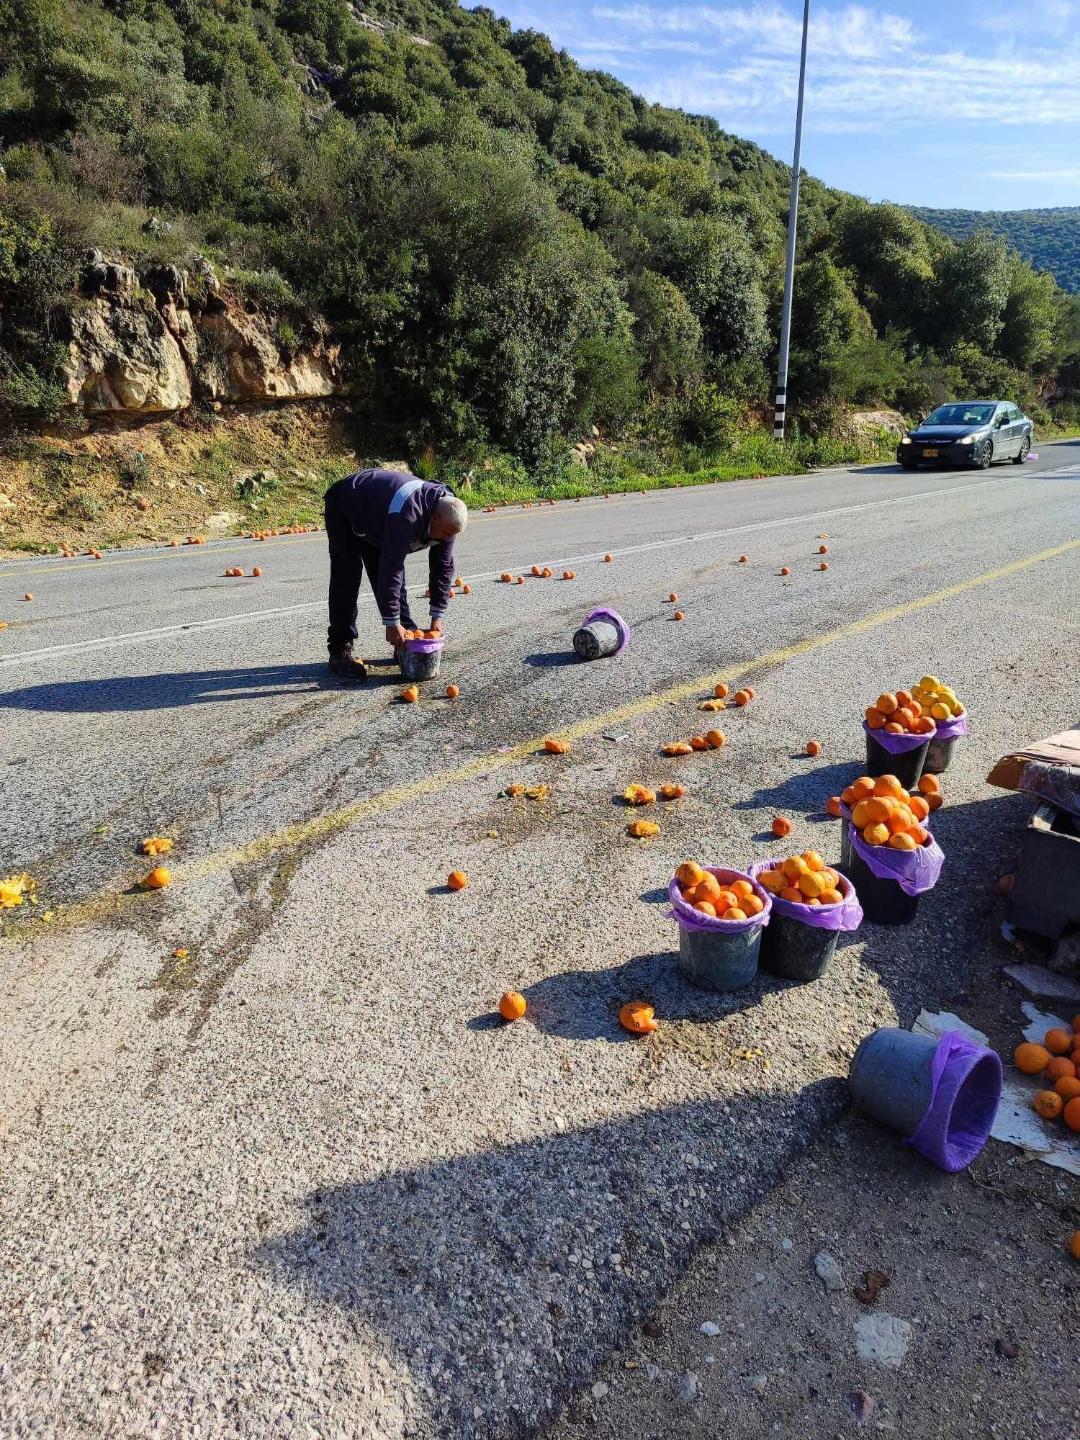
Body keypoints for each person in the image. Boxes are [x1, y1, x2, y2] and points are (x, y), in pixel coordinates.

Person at [323, 468, 468, 679]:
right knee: (347, 576)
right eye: (445, 533)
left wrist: (437, 615)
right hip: (347, 505)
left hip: (378, 517)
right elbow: (392, 567)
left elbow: (442, 568)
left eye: (451, 535)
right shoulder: (408, 514)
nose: (447, 539)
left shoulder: (449, 518)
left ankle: (406, 640)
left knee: (387, 573)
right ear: (434, 517)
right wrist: (391, 623)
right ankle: (339, 650)